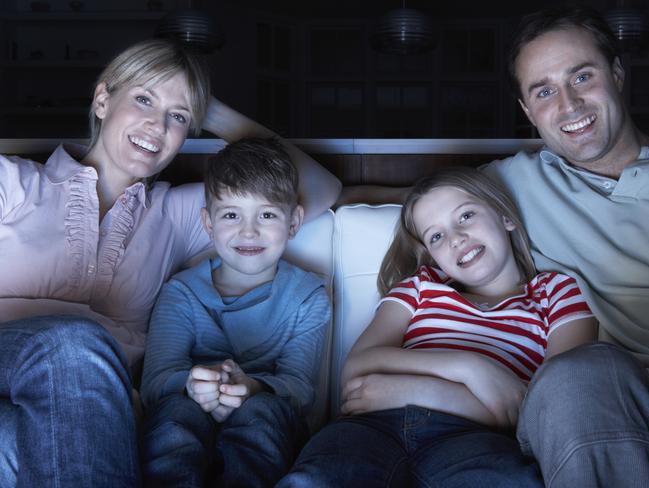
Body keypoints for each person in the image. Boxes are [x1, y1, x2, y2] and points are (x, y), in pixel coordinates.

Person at [0, 39, 340, 486]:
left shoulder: (174, 214)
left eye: (177, 117)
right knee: (74, 342)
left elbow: (315, 188)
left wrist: (207, 108)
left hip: (95, 407)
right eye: (143, 98)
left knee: (14, 443)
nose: (156, 125)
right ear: (103, 99)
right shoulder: (15, 182)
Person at [336, 6, 649, 486]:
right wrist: (203, 110)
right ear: (527, 110)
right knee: (579, 375)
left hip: (566, 399)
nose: (569, 105)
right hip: (587, 398)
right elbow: (353, 198)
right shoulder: (511, 184)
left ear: (617, 74)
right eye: (543, 90)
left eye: (581, 76)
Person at [279, 167, 597, 487]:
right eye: (436, 236)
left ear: (505, 216)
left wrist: (416, 391)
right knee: (314, 480)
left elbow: (551, 410)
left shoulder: (556, 292)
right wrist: (470, 368)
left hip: (478, 441)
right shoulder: (420, 287)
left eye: (466, 215)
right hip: (373, 428)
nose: (456, 238)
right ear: (431, 255)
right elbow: (357, 367)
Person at [140, 137, 331, 487]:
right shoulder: (181, 292)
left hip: (267, 421)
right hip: (188, 407)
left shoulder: (308, 296)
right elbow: (155, 383)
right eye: (231, 214)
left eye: (268, 214)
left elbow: (300, 389)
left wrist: (253, 387)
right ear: (208, 223)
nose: (249, 230)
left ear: (294, 222)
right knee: (174, 416)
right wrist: (195, 385)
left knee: (260, 413)